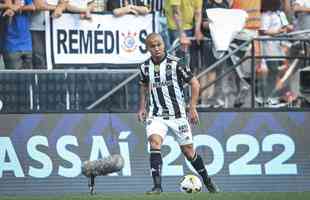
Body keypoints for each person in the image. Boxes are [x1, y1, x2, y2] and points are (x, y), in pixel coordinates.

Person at [137, 33, 219, 194]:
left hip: (178, 116)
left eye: (159, 44)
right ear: (148, 49)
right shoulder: (144, 67)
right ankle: (157, 186)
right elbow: (144, 86)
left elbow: (194, 84)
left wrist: (192, 107)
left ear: (164, 44)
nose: (157, 48)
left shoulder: (177, 64)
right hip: (156, 115)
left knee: (189, 152)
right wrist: (142, 107)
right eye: (152, 46)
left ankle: (208, 180)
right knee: (154, 143)